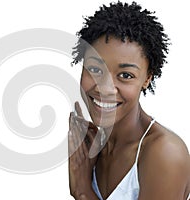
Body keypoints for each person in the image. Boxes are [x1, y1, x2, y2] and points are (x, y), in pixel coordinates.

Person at [68, 1, 190, 200]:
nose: (105, 88)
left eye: (125, 75)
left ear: (147, 78)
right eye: (95, 70)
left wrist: (82, 191)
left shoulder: (164, 153)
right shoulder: (93, 148)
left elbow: (82, 192)